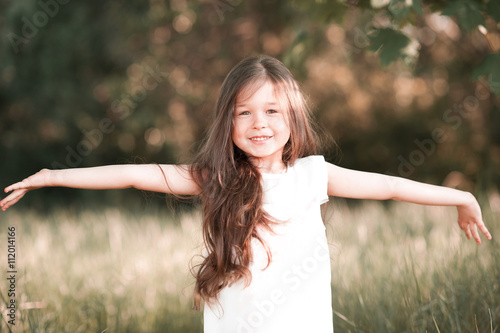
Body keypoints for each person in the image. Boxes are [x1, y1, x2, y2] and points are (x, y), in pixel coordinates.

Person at [0, 56, 492, 333]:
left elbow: (389, 187)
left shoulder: (312, 174)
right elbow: (134, 173)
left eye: (273, 111)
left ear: (293, 118)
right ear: (227, 122)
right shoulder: (213, 177)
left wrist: (462, 198)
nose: (259, 123)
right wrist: (51, 176)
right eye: (244, 113)